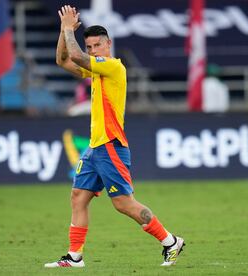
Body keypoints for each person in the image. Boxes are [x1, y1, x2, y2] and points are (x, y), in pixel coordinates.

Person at [45, 5, 185, 268]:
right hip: (95, 148)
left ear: (108, 44)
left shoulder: (113, 67)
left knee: (122, 204)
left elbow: (75, 56)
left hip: (111, 146)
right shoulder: (97, 70)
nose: (93, 50)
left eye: (97, 45)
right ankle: (75, 256)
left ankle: (170, 241)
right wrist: (65, 33)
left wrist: (67, 29)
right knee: (78, 196)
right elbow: (63, 60)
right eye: (89, 46)